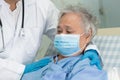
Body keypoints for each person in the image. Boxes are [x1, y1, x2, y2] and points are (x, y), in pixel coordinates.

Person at [21, 5, 107, 80]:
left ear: (88, 35)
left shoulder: (87, 68)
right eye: (59, 31)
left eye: (69, 31)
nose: (62, 35)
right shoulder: (46, 61)